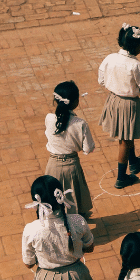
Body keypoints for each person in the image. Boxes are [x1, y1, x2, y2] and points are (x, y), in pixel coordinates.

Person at [99, 23, 140, 189]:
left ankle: (134, 161)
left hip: (113, 100)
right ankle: (121, 177)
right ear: (137, 46)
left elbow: (101, 80)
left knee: (127, 134)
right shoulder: (137, 66)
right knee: (125, 139)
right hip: (129, 105)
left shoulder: (109, 58)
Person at [43, 81, 95, 217]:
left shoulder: (49, 119)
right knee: (75, 198)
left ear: (56, 100)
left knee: (54, 201)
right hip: (72, 167)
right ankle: (78, 225)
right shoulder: (80, 124)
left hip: (52, 166)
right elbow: (88, 149)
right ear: (75, 102)